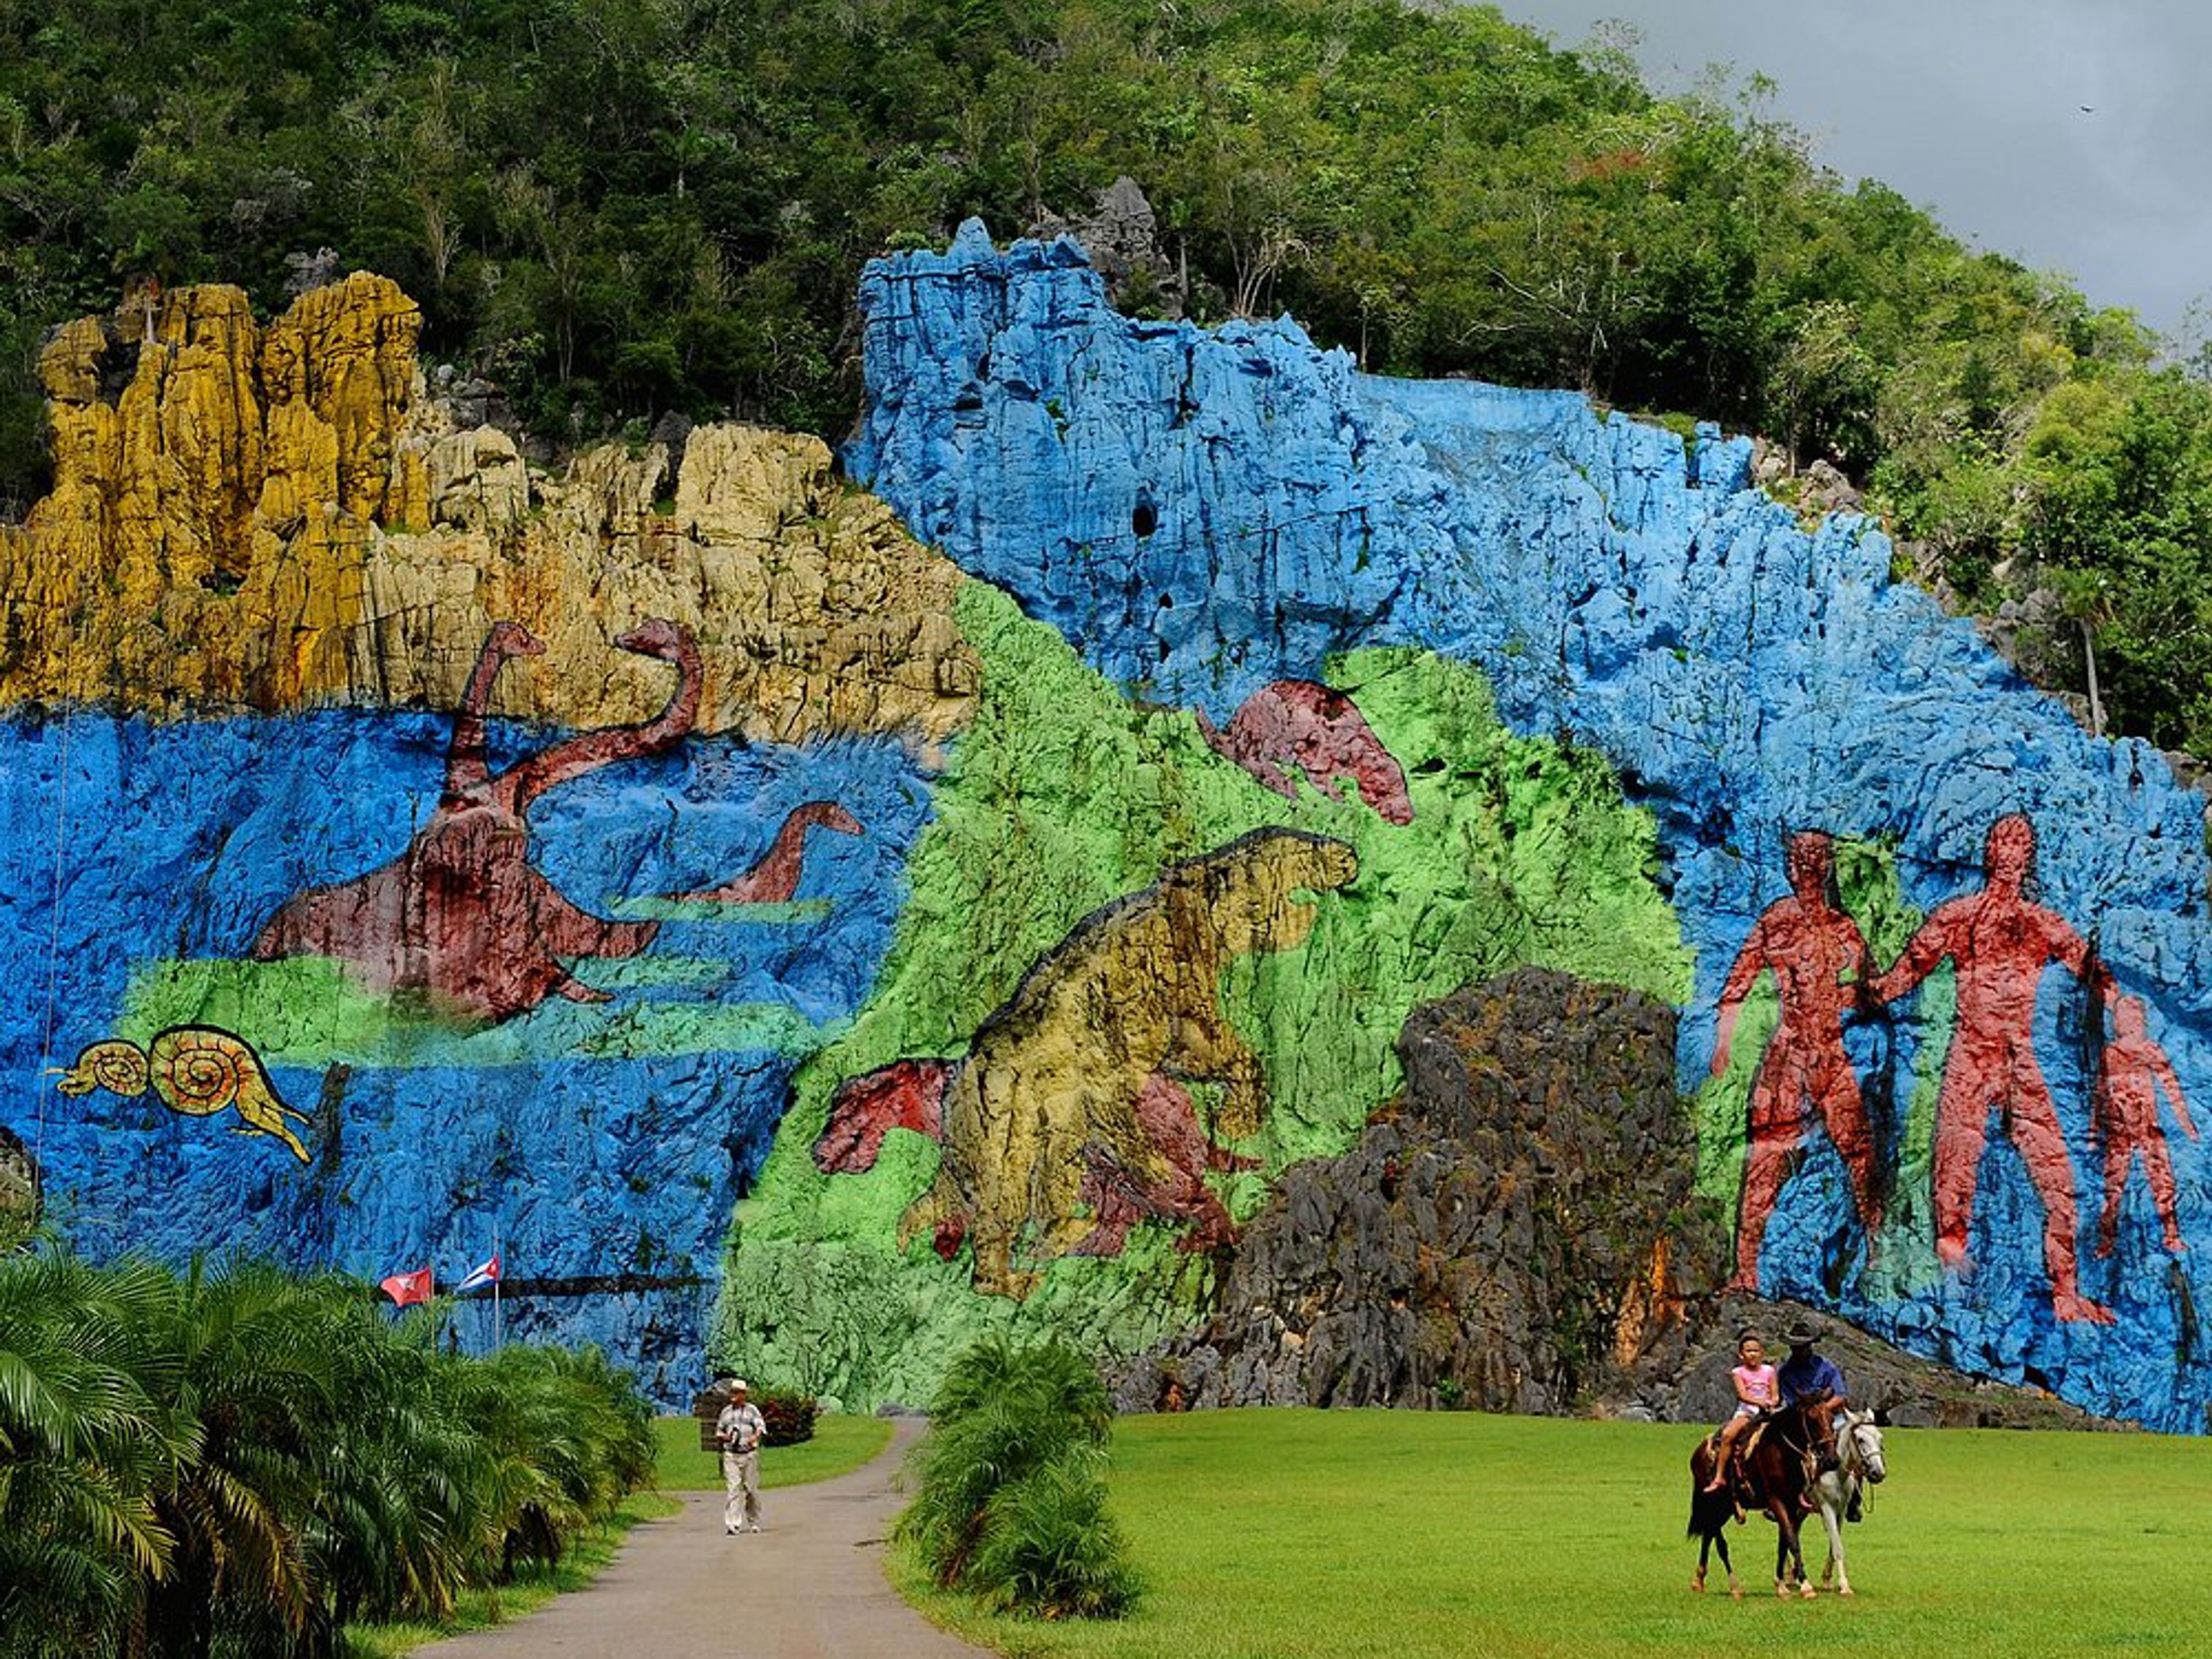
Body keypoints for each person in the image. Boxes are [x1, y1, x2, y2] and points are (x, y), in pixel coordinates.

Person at [1874, 814, 2115, 1323]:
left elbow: (2092, 969)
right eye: (2002, 840)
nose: (2010, 850)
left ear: (2029, 857)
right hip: (1972, 1051)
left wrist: (2125, 1011)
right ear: (1988, 851)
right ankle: (1949, 1277)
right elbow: (1908, 969)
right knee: (1954, 1165)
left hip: (2019, 1059)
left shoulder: (2040, 923)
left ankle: (2066, 1292)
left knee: (2059, 1178)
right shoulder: (1960, 915)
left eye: (2020, 842)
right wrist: (1866, 991)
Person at [1711, 831, 1883, 1293]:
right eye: (1800, 857)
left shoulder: (1843, 928)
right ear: (1789, 865)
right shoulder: (1777, 920)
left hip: (1831, 1054)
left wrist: (1841, 995)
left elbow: (1870, 992)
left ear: (1826, 866)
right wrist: (1723, 1046)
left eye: (1817, 857)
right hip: (1788, 1055)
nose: (1808, 866)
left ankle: (1879, 1254)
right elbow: (1739, 982)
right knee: (1766, 1155)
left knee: (1860, 1151)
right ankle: (1746, 1270)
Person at [2093, 993, 2198, 1259]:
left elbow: (2172, 1089)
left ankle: (2171, 1235)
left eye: (2138, 1018)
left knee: (2163, 1182)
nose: (2135, 1023)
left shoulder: (2151, 1050)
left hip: (2150, 1127)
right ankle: (2106, 1242)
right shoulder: (2110, 1053)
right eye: (2129, 1018)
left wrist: (2187, 1126)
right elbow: (2100, 1093)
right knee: (2113, 1188)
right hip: (2120, 1130)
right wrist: (2094, 1132)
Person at [1777, 1321, 1855, 1518]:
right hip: (1801, 1419)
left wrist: (1822, 1412)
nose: (1798, 1350)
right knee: (1785, 1448)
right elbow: (1792, 1402)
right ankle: (1793, 1492)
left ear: (1810, 1346)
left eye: (1802, 1346)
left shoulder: (1826, 1367)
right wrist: (1813, 1415)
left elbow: (1840, 1396)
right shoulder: (1786, 1372)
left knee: (1854, 1442)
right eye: (1795, 1347)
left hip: (1829, 1416)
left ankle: (1854, 1498)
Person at [1704, 1334, 1778, 1493]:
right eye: (1748, 1351)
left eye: (1756, 1350)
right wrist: (1760, 1403)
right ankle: (1719, 1476)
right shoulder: (1738, 1372)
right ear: (1741, 1354)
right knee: (1728, 1435)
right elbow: (1743, 1395)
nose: (1753, 1354)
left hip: (1769, 1413)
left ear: (1762, 1353)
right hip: (1747, 1413)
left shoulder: (1769, 1371)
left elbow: (1775, 1393)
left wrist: (1772, 1402)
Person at [715, 1377, 768, 1535]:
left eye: (737, 1392)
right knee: (733, 1489)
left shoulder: (752, 1410)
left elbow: (760, 1426)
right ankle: (733, 1524)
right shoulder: (726, 1412)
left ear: (744, 1395)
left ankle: (754, 1521)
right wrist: (724, 1436)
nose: (733, 1395)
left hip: (749, 1455)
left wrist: (755, 1437)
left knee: (751, 1490)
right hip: (731, 1454)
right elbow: (719, 1430)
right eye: (732, 1392)